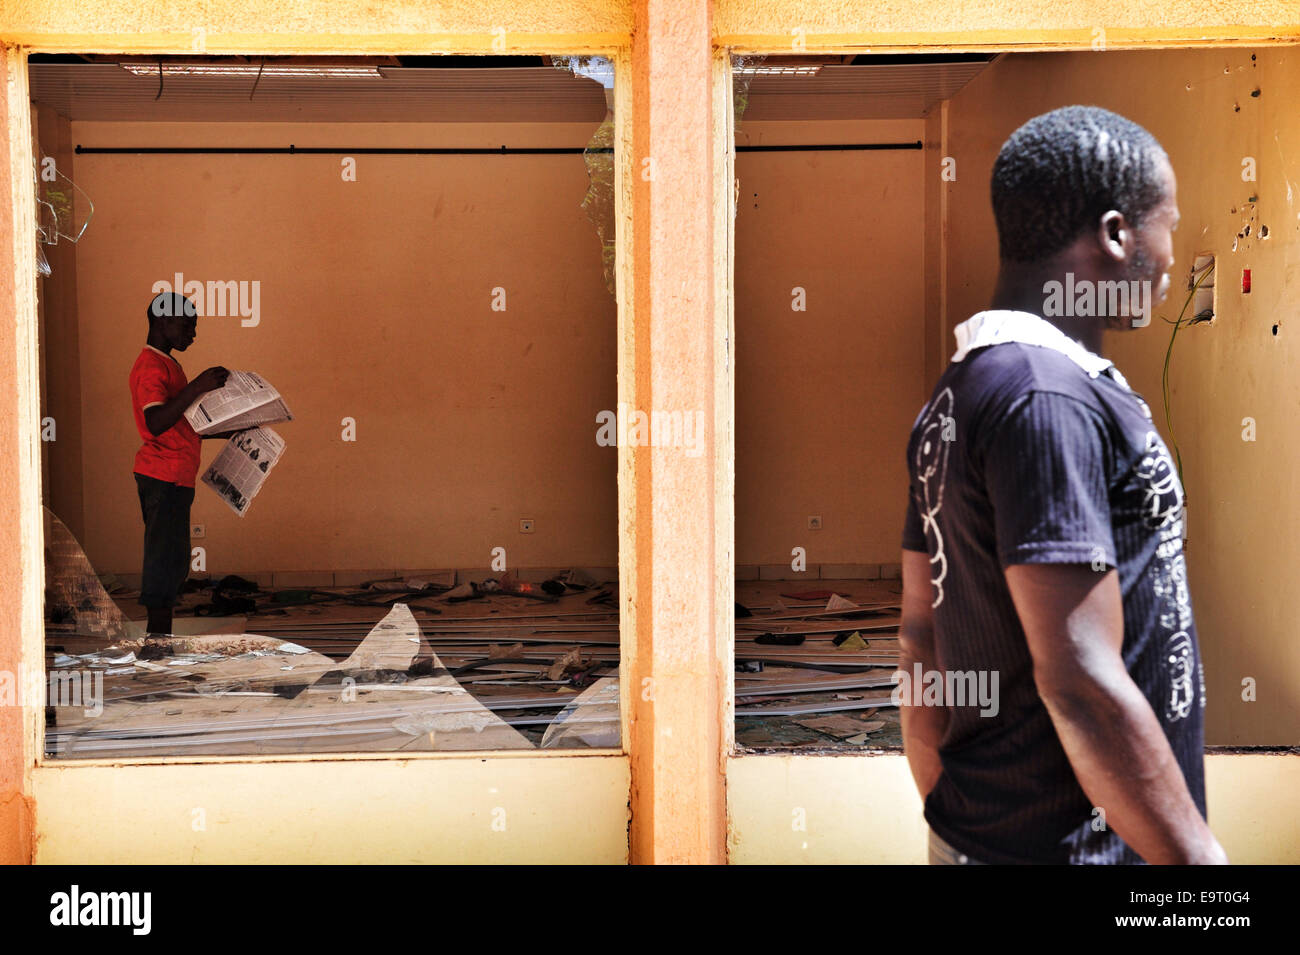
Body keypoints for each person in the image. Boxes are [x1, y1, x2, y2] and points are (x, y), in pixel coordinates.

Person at [899, 106, 1226, 864]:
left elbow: (921, 639)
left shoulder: (960, 393)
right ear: (1117, 234)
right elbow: (1080, 676)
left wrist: (957, 819)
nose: (1172, 255)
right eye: (1166, 224)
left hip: (991, 838)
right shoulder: (1045, 397)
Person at [129, 292, 230, 636]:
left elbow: (182, 425)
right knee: (164, 562)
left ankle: (161, 643)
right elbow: (156, 421)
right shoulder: (150, 365)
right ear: (162, 321)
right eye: (187, 325)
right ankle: (156, 648)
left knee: (173, 563)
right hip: (162, 476)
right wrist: (198, 386)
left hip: (175, 477)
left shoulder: (169, 365)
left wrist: (233, 428)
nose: (193, 334)